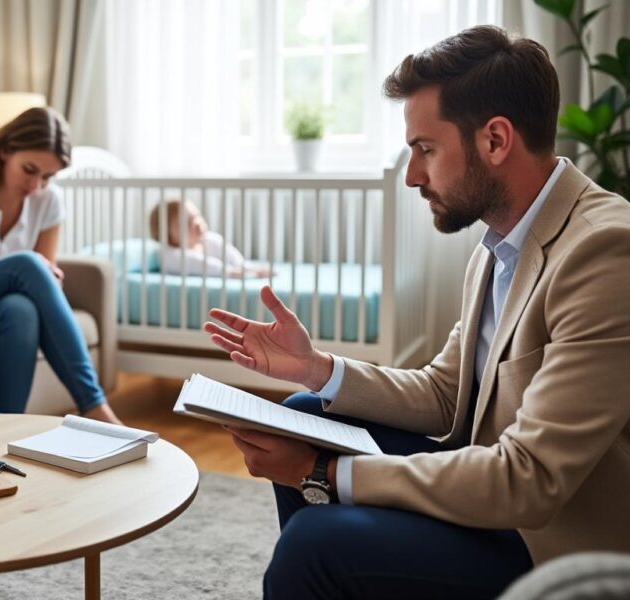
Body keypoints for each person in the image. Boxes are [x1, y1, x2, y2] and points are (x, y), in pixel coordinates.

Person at [203, 25, 630, 599]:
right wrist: (316, 368)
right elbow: (445, 393)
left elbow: (531, 480)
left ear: (495, 140)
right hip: (497, 484)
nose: (412, 175)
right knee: (309, 412)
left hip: (550, 538)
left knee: (314, 543)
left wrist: (321, 473)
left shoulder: (605, 251)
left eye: (425, 149)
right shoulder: (499, 245)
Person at [0, 106, 121, 424]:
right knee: (27, 264)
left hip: (7, 304)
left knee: (21, 310)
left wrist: (44, 277)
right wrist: (31, 269)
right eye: (29, 170)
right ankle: (94, 405)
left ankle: (4, 426)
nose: (37, 185)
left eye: (48, 176)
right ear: (5, 150)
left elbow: (44, 276)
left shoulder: (49, 199)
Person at [149, 199, 272, 277]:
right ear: (167, 236)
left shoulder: (208, 240)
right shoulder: (169, 254)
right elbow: (197, 263)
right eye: (186, 222)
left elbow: (230, 254)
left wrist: (246, 268)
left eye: (196, 216)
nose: (197, 223)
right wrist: (228, 272)